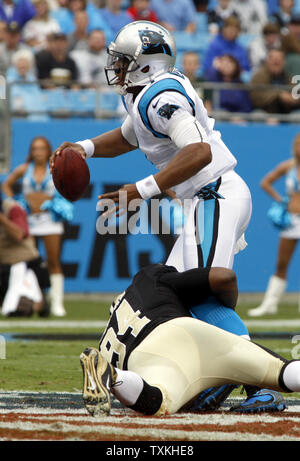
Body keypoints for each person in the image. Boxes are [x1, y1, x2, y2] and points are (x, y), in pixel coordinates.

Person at [51, 20, 257, 409]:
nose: (116, 65)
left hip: (214, 194)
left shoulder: (161, 97)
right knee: (180, 290)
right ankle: (227, 373)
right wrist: (82, 148)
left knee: (200, 291)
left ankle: (253, 381)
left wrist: (141, 190)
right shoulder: (143, 95)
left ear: (146, 64)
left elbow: (200, 152)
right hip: (204, 198)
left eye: (123, 59)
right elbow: (130, 136)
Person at [79, 263, 298, 417]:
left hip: (141, 359)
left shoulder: (108, 339)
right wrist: (228, 310)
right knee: (281, 372)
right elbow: (225, 277)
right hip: (180, 332)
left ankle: (112, 375)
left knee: (157, 400)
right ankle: (251, 386)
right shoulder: (152, 277)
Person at [2, 136, 73, 317]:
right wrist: (15, 202)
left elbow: (69, 187)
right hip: (29, 221)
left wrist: (57, 201)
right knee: (29, 261)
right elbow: (7, 185)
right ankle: (32, 299)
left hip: (50, 219)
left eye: (41, 149)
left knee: (53, 261)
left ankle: (57, 303)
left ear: (48, 151)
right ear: (31, 152)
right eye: (35, 149)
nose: (38, 152)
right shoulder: (25, 169)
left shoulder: (55, 168)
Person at [248, 133, 300, 317]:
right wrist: (281, 200)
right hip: (291, 222)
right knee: (282, 263)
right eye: (295, 143)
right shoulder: (288, 166)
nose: (297, 146)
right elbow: (266, 182)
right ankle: (270, 304)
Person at [0, 193, 50, 318]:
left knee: (20, 309)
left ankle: (39, 302)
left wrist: (1, 218)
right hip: (4, 267)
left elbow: (20, 234)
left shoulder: (13, 209)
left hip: (26, 264)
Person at [250, 48, 300, 114]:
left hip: (286, 112)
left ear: (284, 62)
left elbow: (296, 94)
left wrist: (294, 99)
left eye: (279, 60)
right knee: (258, 114)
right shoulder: (259, 76)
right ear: (267, 61)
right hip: (265, 111)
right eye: (273, 60)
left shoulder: (287, 76)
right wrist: (279, 95)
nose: (276, 62)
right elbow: (256, 98)